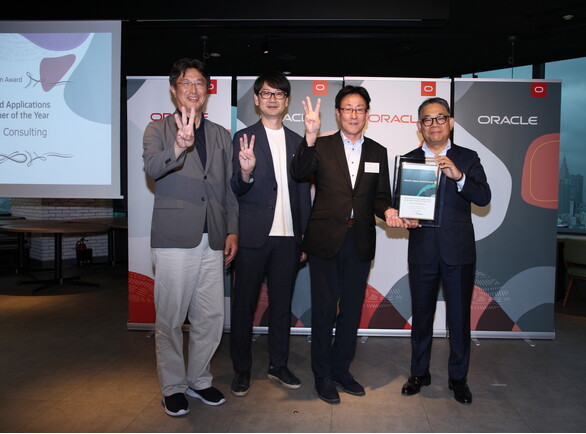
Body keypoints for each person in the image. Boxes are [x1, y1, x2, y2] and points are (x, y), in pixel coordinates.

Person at [290, 85, 405, 404]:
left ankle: (341, 370)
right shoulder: (321, 145)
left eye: (359, 109)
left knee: (351, 311)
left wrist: (388, 211)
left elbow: (380, 197)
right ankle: (322, 375)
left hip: (360, 240)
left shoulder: (378, 151)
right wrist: (309, 136)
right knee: (325, 310)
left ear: (367, 114)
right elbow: (299, 173)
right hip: (326, 239)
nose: (354, 114)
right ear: (338, 113)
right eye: (348, 108)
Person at [142, 58, 238, 417]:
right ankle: (172, 387)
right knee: (170, 319)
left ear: (208, 90)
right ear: (173, 90)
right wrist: (179, 147)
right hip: (174, 238)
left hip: (213, 238)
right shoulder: (158, 129)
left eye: (200, 83)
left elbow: (228, 189)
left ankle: (199, 379)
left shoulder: (220, 135)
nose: (194, 89)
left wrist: (232, 230)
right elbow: (153, 168)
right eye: (186, 83)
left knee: (210, 317)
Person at [395, 97, 491, 405]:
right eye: (427, 119)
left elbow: (483, 196)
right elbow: (398, 201)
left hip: (458, 252)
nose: (434, 124)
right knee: (421, 316)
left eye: (440, 118)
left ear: (450, 122)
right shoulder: (409, 159)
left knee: (459, 318)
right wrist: (404, 216)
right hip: (422, 249)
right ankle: (418, 373)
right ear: (419, 126)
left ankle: (458, 378)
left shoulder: (467, 157)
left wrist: (459, 177)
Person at [229, 71, 311, 396]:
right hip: (252, 237)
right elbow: (234, 189)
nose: (272, 99)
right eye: (266, 93)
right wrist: (245, 172)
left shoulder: (298, 142)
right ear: (256, 99)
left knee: (281, 307)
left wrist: (304, 237)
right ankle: (241, 369)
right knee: (243, 306)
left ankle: (278, 365)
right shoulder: (243, 138)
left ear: (286, 101)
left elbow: (303, 193)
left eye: (278, 93)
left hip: (288, 239)